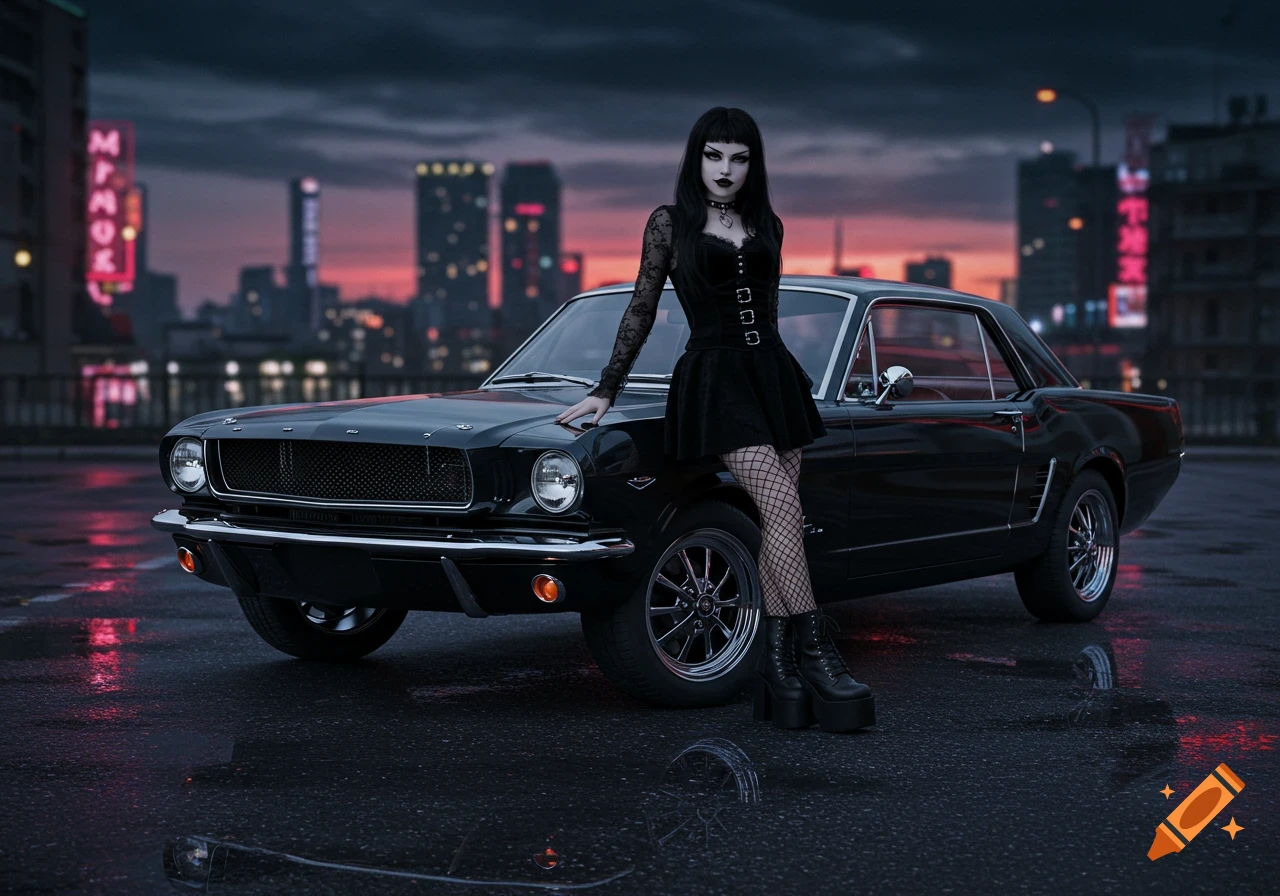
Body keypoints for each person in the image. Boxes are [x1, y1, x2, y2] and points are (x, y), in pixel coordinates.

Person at [555, 107, 874, 732]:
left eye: (739, 157)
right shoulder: (669, 223)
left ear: (753, 163)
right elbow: (642, 306)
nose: (725, 170)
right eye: (713, 155)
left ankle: (779, 677)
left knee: (776, 519)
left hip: (771, 377)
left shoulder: (768, 223)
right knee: (782, 512)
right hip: (713, 379)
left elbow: (771, 310)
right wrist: (606, 390)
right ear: (695, 158)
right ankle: (817, 653)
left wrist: (780, 374)